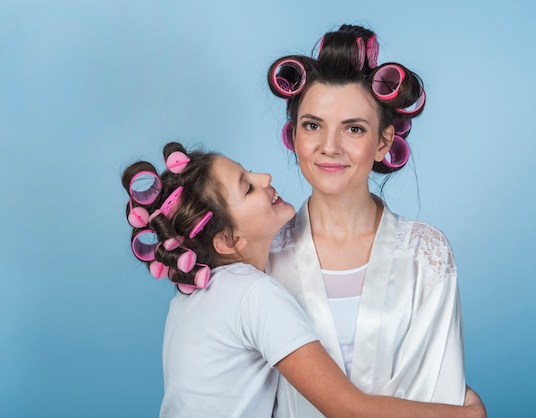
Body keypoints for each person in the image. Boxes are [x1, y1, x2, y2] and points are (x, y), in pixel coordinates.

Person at [121, 142, 486, 417]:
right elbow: (347, 408)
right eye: (247, 187)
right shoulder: (254, 293)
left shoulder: (191, 297)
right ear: (230, 240)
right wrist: (465, 415)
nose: (264, 178)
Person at [266, 24, 479, 417]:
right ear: (293, 135)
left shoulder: (425, 254)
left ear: (384, 141)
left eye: (354, 128)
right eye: (313, 125)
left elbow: (438, 386)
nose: (329, 147)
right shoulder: (264, 255)